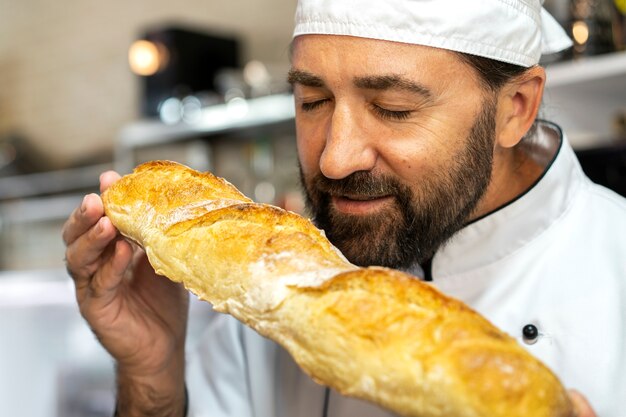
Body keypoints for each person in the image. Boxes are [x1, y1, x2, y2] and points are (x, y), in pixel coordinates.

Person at [62, 0, 625, 416]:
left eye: (393, 108)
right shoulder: (273, 292)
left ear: (516, 109)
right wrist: (152, 376)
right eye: (312, 102)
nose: (334, 159)